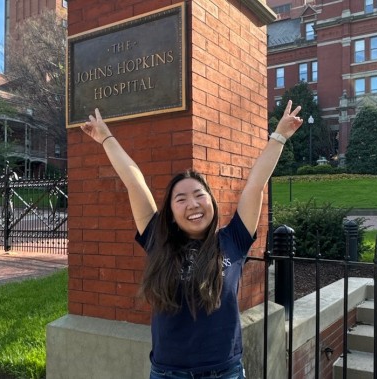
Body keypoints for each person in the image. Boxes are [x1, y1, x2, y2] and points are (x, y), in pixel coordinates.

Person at [80, 101, 303, 379]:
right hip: (168, 373)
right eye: (181, 199)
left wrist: (279, 136)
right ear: (171, 212)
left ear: (211, 201)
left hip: (225, 372)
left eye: (199, 195)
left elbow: (256, 184)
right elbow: (134, 182)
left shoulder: (233, 239)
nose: (193, 204)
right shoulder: (158, 239)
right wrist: (106, 138)